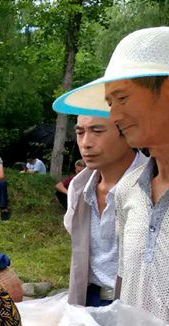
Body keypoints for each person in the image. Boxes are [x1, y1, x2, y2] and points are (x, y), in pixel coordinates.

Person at [54, 26, 169, 326]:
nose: (114, 115)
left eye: (121, 98)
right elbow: (126, 296)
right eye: (110, 102)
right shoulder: (129, 193)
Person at [63, 115, 148, 307]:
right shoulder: (79, 188)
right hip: (89, 300)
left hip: (139, 309)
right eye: (80, 132)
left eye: (97, 131)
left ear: (128, 133)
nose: (85, 143)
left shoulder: (154, 185)